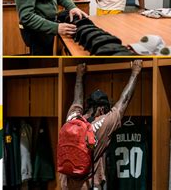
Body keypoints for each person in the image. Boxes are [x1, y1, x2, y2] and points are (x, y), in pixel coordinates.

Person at [59, 60, 142, 189]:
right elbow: (124, 101)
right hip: (90, 186)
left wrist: (79, 75)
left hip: (66, 185)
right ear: (101, 109)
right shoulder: (103, 123)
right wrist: (135, 72)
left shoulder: (73, 117)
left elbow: (77, 98)